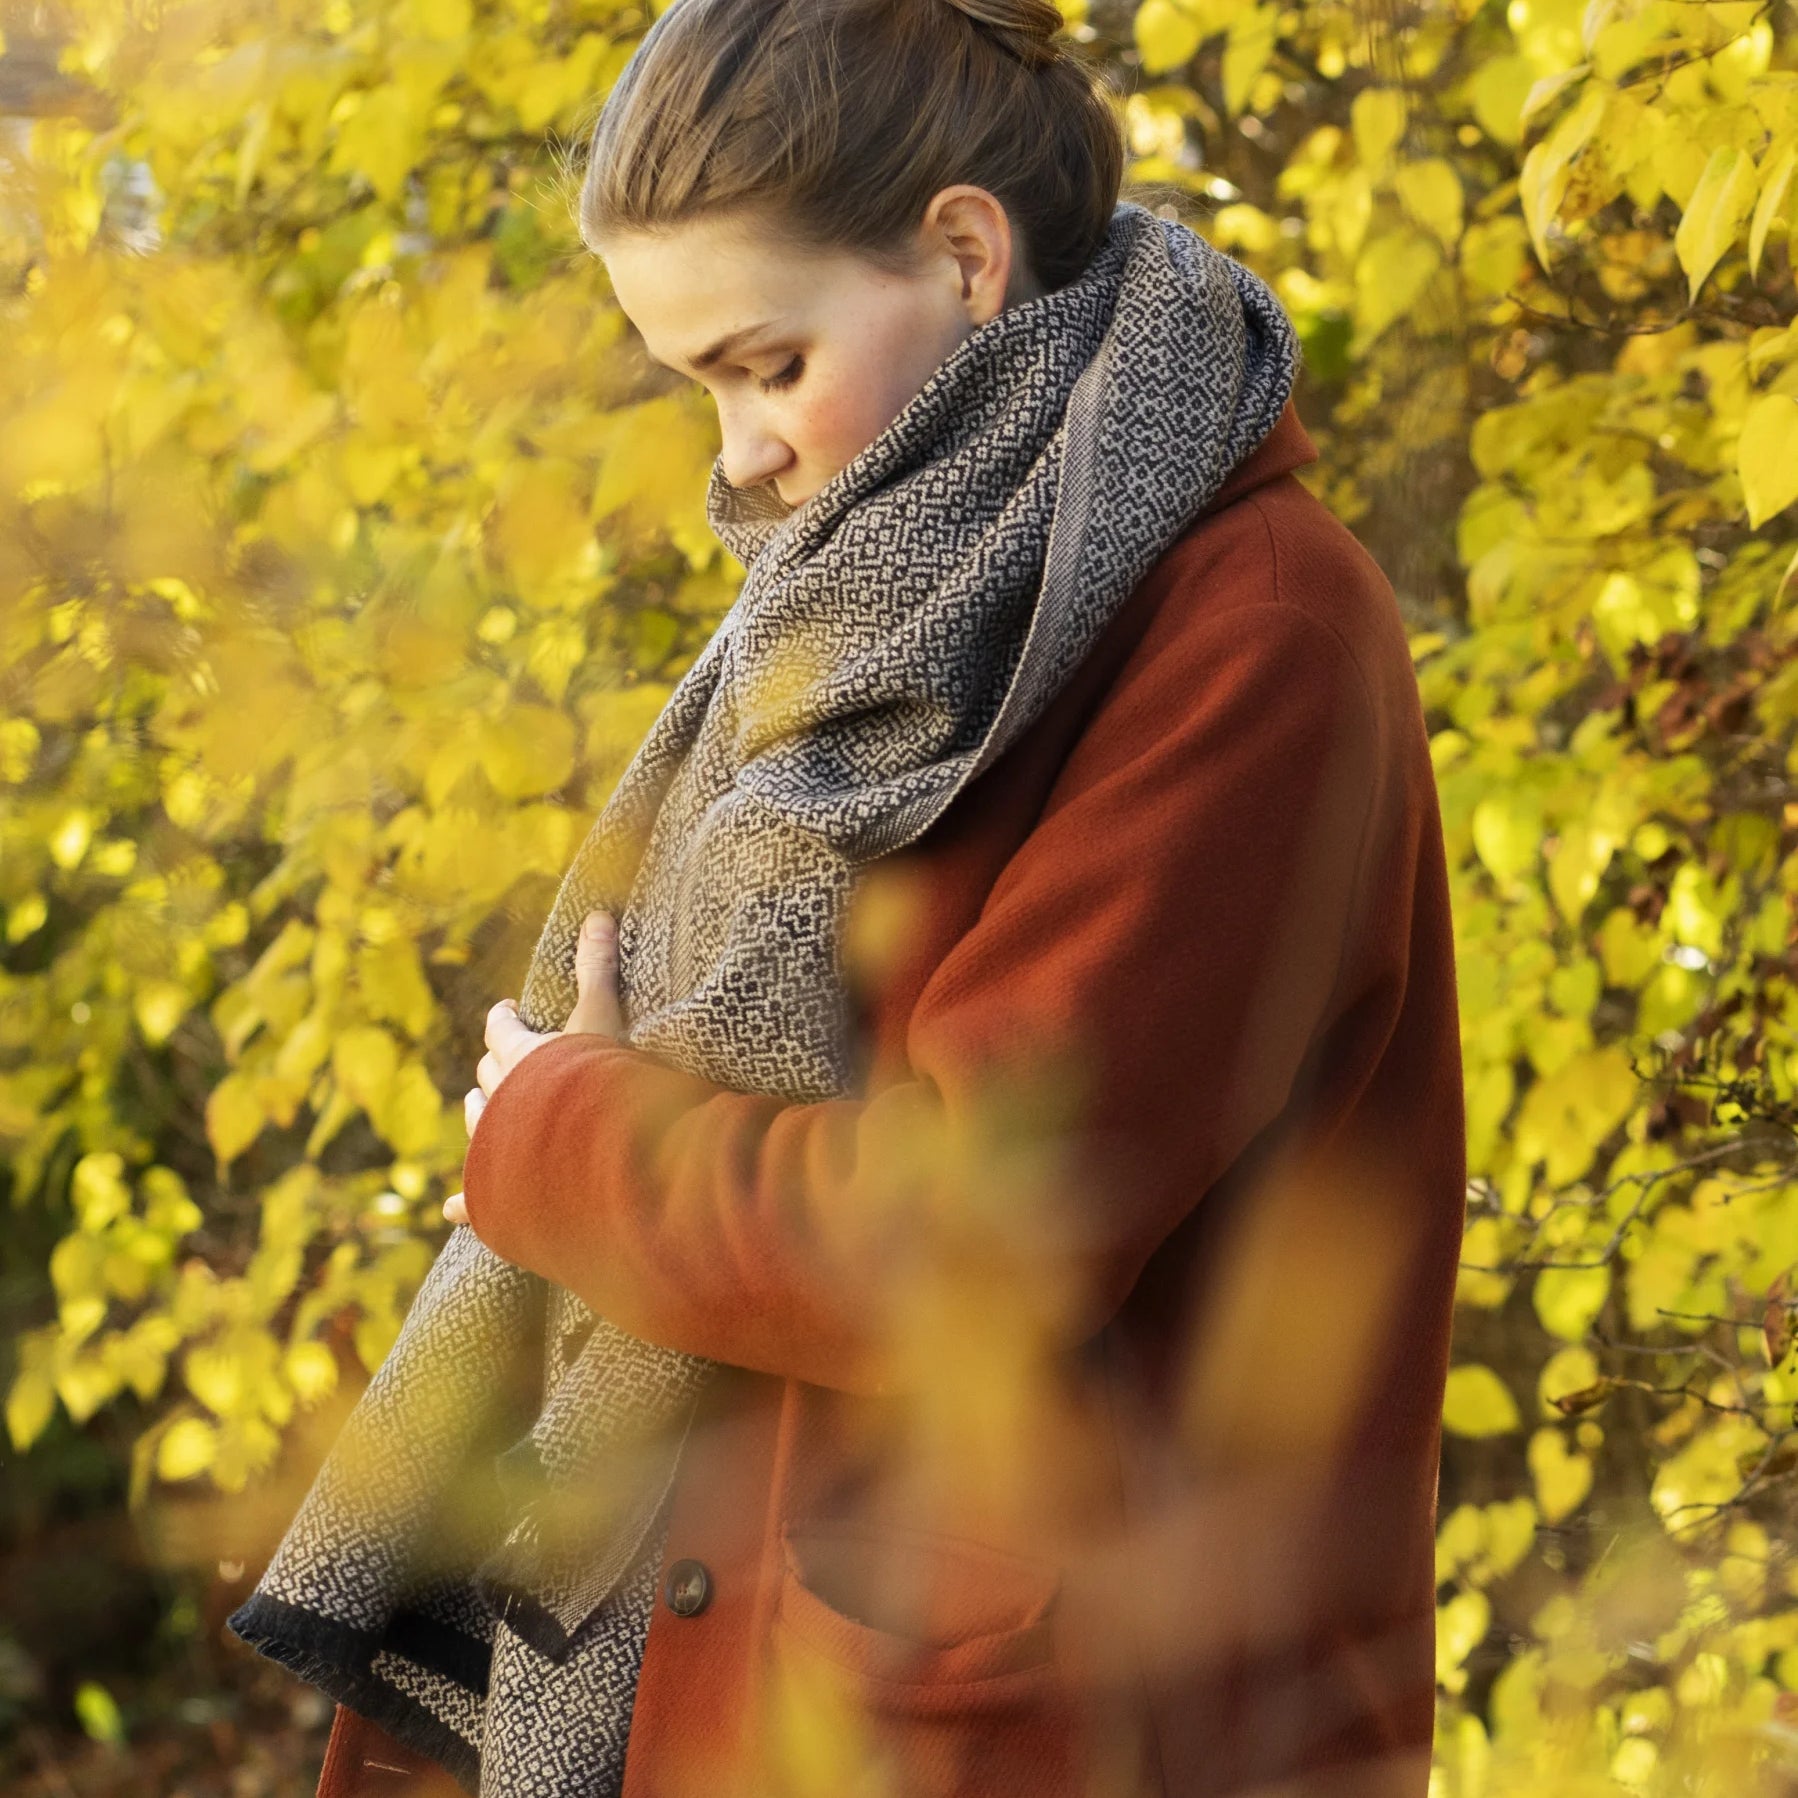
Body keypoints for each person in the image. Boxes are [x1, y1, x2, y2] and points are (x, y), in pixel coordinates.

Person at [277, 1, 1465, 1794]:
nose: (739, 452)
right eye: (698, 386)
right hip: (752, 1677)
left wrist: (566, 1138)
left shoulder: (1250, 634)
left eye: (766, 365)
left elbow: (974, 1240)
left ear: (967, 257)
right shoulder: (893, 603)